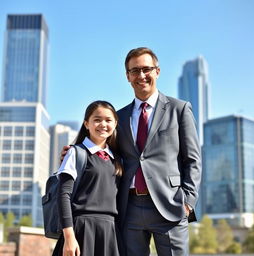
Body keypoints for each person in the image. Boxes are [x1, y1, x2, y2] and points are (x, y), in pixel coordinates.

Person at [61, 47, 201, 256]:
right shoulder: (119, 117)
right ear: (127, 76)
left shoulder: (179, 109)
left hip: (170, 205)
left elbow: (193, 159)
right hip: (129, 208)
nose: (141, 75)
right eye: (135, 71)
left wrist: (188, 201)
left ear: (157, 71)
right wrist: (75, 151)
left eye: (147, 69)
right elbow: (103, 150)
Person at [53, 100, 122, 256]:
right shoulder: (75, 153)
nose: (103, 124)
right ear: (86, 124)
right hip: (82, 229)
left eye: (108, 120)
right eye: (97, 119)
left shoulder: (117, 159)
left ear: (116, 123)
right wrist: (69, 237)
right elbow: (63, 195)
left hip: (110, 232)